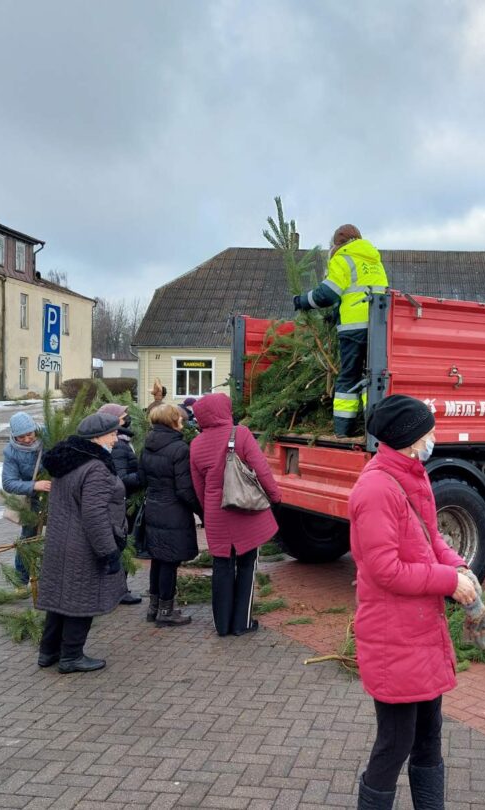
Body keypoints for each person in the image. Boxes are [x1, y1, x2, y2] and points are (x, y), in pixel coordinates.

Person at [348, 394, 480, 809]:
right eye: (429, 432)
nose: (434, 438)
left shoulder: (412, 474)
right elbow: (385, 569)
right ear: (410, 438)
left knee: (428, 737)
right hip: (394, 639)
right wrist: (447, 581)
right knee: (395, 743)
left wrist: (458, 566)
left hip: (421, 634)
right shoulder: (375, 488)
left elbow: (430, 537)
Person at [36, 413, 128, 673]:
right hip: (83, 545)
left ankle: (48, 652)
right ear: (96, 437)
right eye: (112, 434)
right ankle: (71, 656)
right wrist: (108, 552)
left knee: (61, 600)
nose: (116, 439)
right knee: (82, 600)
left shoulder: (69, 460)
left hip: (60, 540)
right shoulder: (95, 467)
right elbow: (94, 514)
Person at [189, 393, 282, 636]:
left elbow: (198, 487)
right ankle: (242, 623)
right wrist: (275, 496)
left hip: (216, 513)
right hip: (244, 510)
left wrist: (208, 511)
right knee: (247, 565)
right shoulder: (240, 434)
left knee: (222, 565)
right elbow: (261, 469)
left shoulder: (196, 444)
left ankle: (222, 625)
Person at [293, 224, 389, 436]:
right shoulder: (375, 262)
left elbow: (327, 294)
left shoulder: (343, 258)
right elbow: (360, 293)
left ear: (338, 243)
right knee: (372, 376)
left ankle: (343, 430)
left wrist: (301, 301)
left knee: (349, 377)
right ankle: (372, 430)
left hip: (353, 329)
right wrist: (335, 313)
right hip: (378, 328)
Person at [139, 403, 202, 626]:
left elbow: (142, 479)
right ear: (172, 421)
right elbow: (184, 489)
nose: (182, 420)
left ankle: (154, 608)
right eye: (179, 417)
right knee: (169, 562)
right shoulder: (179, 449)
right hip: (173, 512)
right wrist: (202, 511)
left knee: (158, 559)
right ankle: (166, 612)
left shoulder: (147, 445)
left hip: (154, 507)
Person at [98, 403, 143, 605]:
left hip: (125, 503)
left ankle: (117, 589)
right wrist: (143, 476)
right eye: (123, 415)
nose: (127, 417)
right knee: (119, 545)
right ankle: (118, 591)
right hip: (121, 505)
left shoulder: (123, 441)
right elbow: (120, 478)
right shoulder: (118, 446)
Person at [1, 411, 51, 585]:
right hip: (33, 500)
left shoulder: (49, 436)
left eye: (29, 434)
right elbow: (8, 483)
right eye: (21, 437)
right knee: (28, 539)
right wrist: (34, 486)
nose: (27, 439)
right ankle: (21, 580)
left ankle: (51, 579)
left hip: (56, 496)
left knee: (57, 536)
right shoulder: (11, 452)